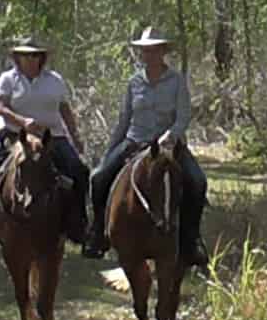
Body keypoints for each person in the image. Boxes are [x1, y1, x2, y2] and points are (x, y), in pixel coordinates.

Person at [82, 27, 209, 268]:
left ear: (162, 52)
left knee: (197, 181)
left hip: (170, 146)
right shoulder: (134, 82)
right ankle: (98, 232)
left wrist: (170, 136)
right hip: (135, 142)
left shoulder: (176, 81)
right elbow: (124, 118)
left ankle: (192, 240)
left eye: (153, 50)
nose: (148, 54)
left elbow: (183, 116)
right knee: (99, 178)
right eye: (145, 51)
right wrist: (111, 150)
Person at [0, 37, 89, 244]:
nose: (31, 59)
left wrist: (75, 136)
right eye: (26, 55)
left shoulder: (54, 80)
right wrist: (23, 122)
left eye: (35, 55)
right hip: (14, 135)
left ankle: (77, 223)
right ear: (18, 57)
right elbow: (1, 108)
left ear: (42, 57)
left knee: (79, 170)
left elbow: (65, 110)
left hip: (52, 137)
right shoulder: (8, 79)